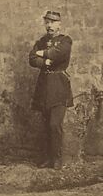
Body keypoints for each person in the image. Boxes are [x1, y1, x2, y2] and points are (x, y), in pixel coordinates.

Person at [29, 9, 73, 169]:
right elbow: (32, 58)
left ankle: (57, 159)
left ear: (59, 24)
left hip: (59, 86)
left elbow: (58, 54)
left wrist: (43, 54)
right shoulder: (41, 41)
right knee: (46, 124)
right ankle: (48, 158)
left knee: (55, 124)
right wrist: (44, 62)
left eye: (53, 22)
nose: (49, 25)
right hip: (44, 87)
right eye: (47, 22)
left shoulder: (65, 41)